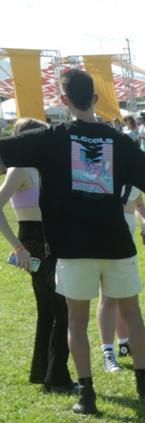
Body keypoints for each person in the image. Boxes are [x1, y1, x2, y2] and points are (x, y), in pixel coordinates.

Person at [0, 68, 145, 414]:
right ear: (95, 99)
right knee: (133, 314)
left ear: (63, 101)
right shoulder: (121, 141)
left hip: (72, 248)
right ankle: (144, 386)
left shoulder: (50, 136)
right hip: (116, 244)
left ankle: (87, 395)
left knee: (76, 321)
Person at [0, 118, 74, 393]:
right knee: (60, 308)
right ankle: (56, 377)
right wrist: (17, 247)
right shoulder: (19, 169)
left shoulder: (43, 167)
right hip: (33, 239)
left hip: (52, 237)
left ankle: (46, 373)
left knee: (50, 309)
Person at [99, 186, 145, 372]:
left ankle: (126, 344)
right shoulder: (103, 173)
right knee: (108, 297)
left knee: (125, 296)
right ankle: (107, 353)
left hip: (126, 248)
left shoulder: (130, 174)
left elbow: (139, 203)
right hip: (103, 242)